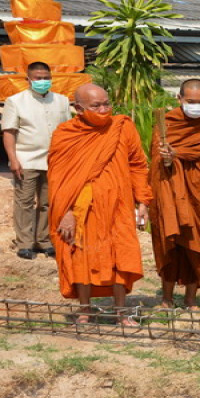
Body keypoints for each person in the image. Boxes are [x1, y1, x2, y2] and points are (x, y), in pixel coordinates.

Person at [47, 84, 151, 326]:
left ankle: (121, 312)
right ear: (78, 109)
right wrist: (67, 213)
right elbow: (59, 181)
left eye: (106, 103)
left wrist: (142, 201)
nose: (104, 109)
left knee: (120, 257)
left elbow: (137, 164)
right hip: (82, 212)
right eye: (96, 106)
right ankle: (85, 310)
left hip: (119, 207)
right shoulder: (65, 134)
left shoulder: (122, 127)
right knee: (81, 257)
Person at [150, 79, 200, 309]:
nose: (197, 106)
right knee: (169, 241)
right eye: (191, 101)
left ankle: (190, 298)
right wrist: (167, 159)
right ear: (179, 99)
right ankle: (166, 297)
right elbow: (156, 161)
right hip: (170, 190)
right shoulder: (166, 123)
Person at [1, 61, 71, 260]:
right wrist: (13, 159)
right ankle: (24, 243)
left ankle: (44, 240)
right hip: (26, 160)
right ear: (28, 79)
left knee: (48, 203)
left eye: (46, 78)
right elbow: (9, 132)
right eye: (38, 78)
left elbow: (67, 130)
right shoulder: (15, 101)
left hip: (54, 161)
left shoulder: (62, 101)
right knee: (24, 202)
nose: (42, 81)